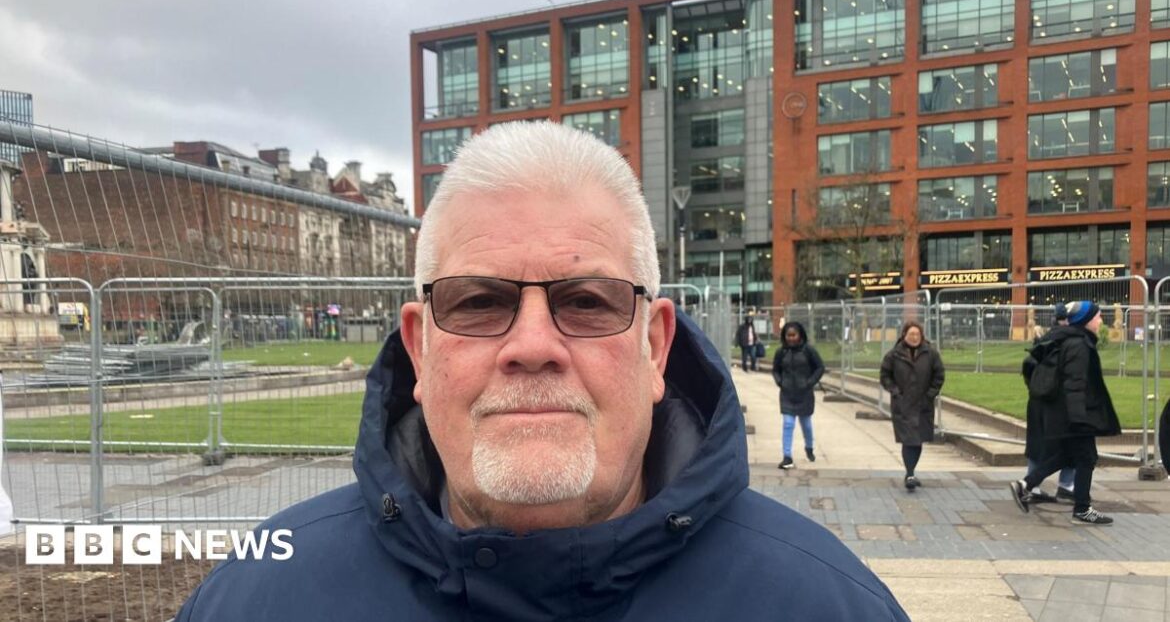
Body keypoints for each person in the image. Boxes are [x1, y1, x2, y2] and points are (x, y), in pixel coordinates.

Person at [176, 122, 908, 621]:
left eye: (587, 301)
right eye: (478, 300)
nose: (532, 344)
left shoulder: (825, 605)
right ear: (420, 348)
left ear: (656, 346)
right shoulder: (255, 598)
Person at [1010, 300, 1121, 525]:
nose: (1101, 321)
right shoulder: (1079, 345)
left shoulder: (1066, 339)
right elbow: (1075, 383)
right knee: (1087, 458)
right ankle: (1082, 509)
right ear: (1087, 320)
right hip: (1075, 414)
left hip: (1061, 412)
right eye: (1098, 317)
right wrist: (1079, 419)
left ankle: (1025, 484)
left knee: (1068, 456)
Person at [1020, 303, 1076, 505]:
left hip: (1037, 399)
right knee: (1073, 443)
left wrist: (1035, 388)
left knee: (1037, 443)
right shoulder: (1071, 342)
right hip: (1058, 401)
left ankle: (1032, 485)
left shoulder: (1044, 340)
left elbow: (1028, 366)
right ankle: (1066, 485)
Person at [880, 320, 945, 492]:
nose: (914, 337)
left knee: (917, 441)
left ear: (921, 336)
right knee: (908, 440)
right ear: (904, 335)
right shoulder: (894, 355)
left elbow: (939, 375)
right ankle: (910, 474)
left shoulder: (931, 354)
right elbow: (885, 375)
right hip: (903, 404)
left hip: (923, 404)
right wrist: (895, 392)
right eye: (911, 334)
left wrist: (930, 394)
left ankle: (911, 472)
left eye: (917, 334)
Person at [772, 320, 825, 470]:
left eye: (793, 335)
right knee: (788, 424)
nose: (790, 338)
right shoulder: (781, 352)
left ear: (799, 335)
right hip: (787, 393)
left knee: (806, 424)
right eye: (788, 335)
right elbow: (775, 369)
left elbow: (820, 367)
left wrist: (810, 382)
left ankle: (809, 447)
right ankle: (787, 456)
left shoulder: (808, 351)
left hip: (805, 393)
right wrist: (780, 381)